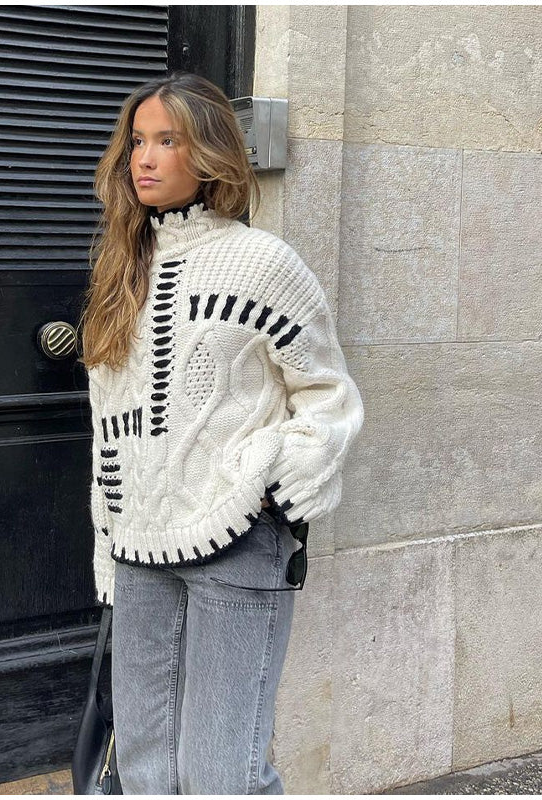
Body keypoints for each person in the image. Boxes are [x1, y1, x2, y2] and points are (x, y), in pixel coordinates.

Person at [76, 72, 364, 795]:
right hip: (141, 543)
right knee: (145, 768)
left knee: (220, 773)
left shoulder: (264, 264)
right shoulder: (121, 270)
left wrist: (283, 477)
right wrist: (108, 543)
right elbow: (110, 429)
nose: (144, 158)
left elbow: (327, 392)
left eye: (167, 141)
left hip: (237, 538)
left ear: (209, 154)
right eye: (137, 141)